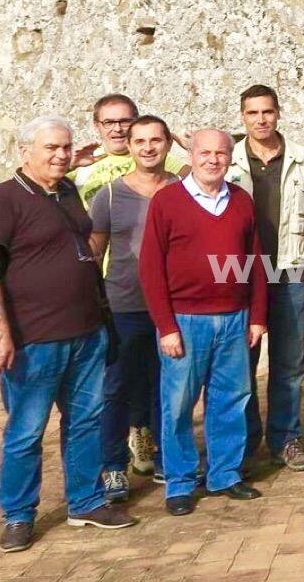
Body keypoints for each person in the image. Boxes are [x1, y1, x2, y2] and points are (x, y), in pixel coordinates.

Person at [0, 117, 137, 553]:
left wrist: (69, 168)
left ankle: (85, 502)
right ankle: (18, 515)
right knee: (26, 431)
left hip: (87, 333)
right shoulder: (2, 199)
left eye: (66, 147)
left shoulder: (66, 190)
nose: (61, 154)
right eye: (51, 147)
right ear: (24, 152)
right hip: (34, 340)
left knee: (85, 422)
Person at [139, 129, 268, 516]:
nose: (213, 160)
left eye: (221, 153)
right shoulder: (167, 201)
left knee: (231, 400)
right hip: (185, 321)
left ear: (230, 157)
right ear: (191, 156)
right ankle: (179, 482)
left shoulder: (241, 200)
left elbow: (254, 263)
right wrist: (166, 326)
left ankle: (225, 474)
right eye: (205, 153)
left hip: (234, 319)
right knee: (178, 405)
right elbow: (151, 268)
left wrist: (257, 317)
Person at [227, 84, 304, 473]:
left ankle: (285, 440)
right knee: (240, 364)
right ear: (242, 116)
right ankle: (246, 443)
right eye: (253, 113)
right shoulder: (228, 160)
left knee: (289, 363)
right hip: (239, 272)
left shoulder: (303, 159)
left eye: (267, 111)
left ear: (278, 113)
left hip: (290, 270)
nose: (261, 119)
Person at [89, 115, 179, 501]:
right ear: (128, 146)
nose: (148, 148)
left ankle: (165, 458)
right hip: (124, 306)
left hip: (172, 307)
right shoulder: (109, 196)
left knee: (168, 387)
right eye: (139, 141)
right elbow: (94, 255)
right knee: (115, 388)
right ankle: (113, 466)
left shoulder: (182, 190)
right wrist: (94, 305)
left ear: (167, 144)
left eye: (155, 140)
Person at [69, 93, 186, 206]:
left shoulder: (152, 157)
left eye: (124, 121)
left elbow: (195, 183)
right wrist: (69, 165)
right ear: (96, 126)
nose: (117, 129)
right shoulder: (81, 161)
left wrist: (191, 148)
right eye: (109, 123)